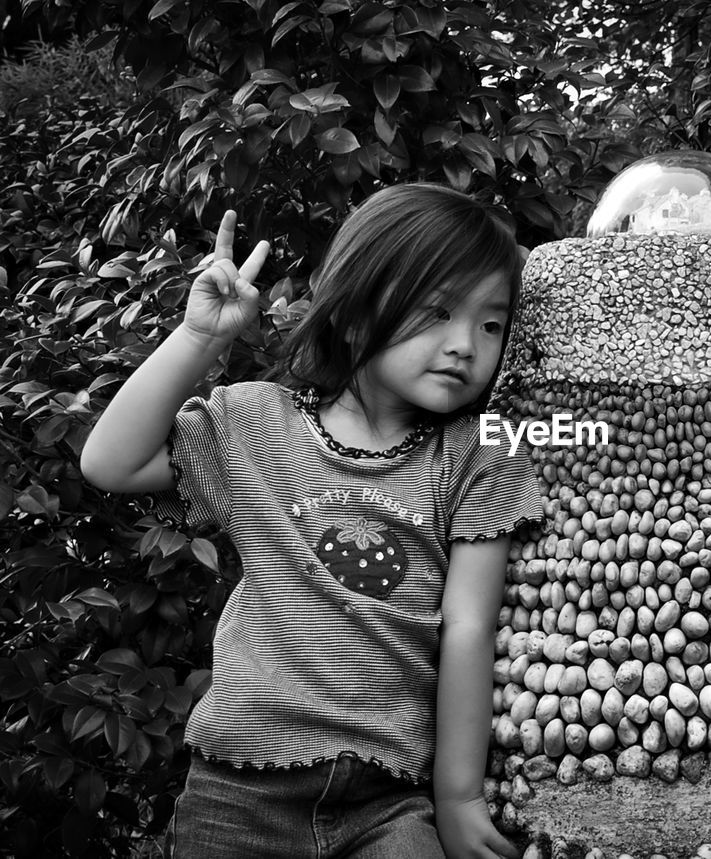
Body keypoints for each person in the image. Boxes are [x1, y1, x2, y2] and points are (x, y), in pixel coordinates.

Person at [81, 185, 542, 859]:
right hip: (237, 791)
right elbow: (110, 463)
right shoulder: (254, 426)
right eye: (437, 310)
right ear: (354, 310)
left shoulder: (479, 453)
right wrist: (199, 337)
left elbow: (468, 625)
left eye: (491, 323)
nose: (465, 345)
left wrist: (458, 796)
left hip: (389, 800)